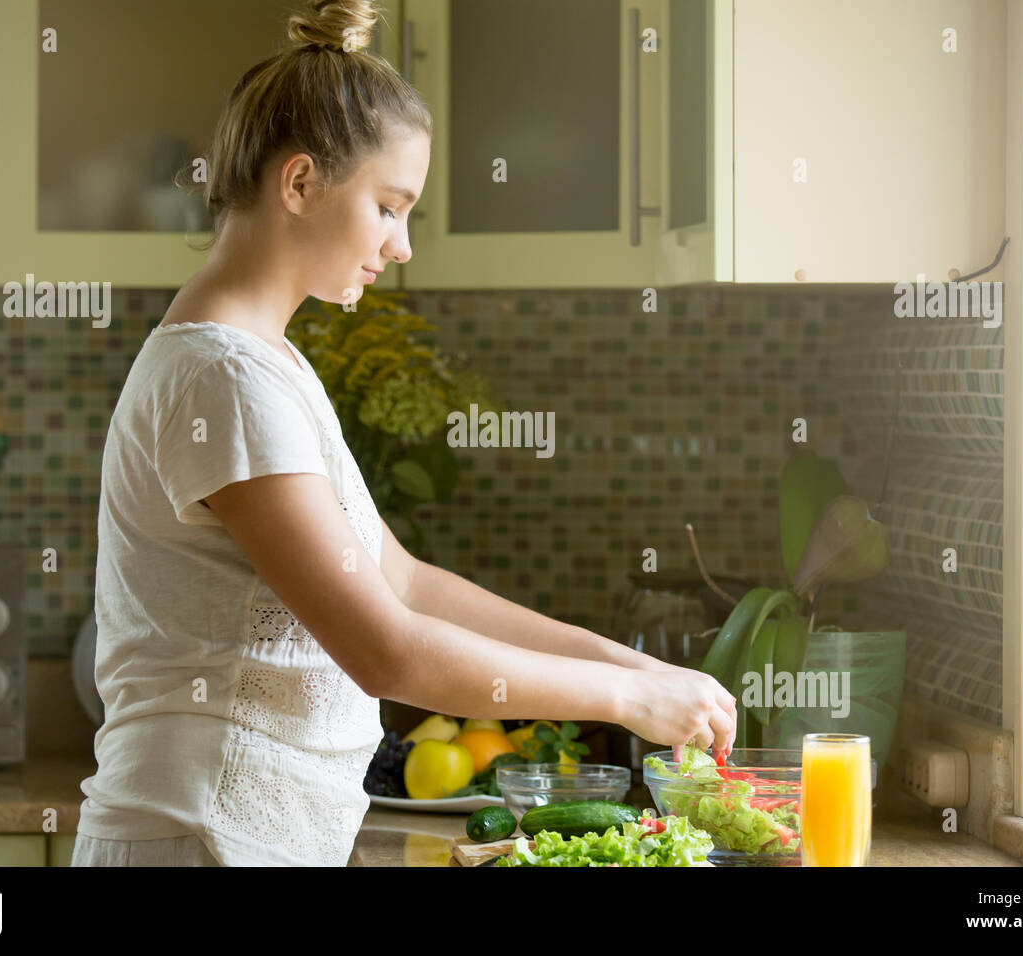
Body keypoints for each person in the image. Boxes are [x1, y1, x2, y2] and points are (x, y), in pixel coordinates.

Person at [72, 0, 735, 867]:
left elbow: (407, 585)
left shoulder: (267, 365)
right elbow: (386, 651)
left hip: (238, 838)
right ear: (301, 183)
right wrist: (623, 699)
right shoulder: (224, 379)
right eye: (390, 207)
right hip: (199, 835)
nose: (403, 244)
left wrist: (637, 669)